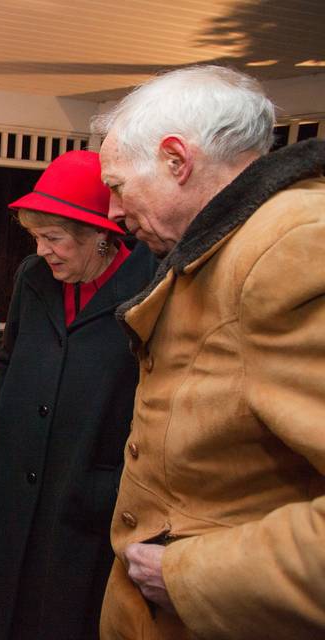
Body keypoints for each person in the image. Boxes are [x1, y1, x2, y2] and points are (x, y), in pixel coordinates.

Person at [93, 65, 325, 639]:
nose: (113, 214)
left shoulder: (290, 247)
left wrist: (195, 577)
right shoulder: (225, 242)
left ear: (177, 160)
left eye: (119, 186)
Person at [0, 151, 157, 639]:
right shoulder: (32, 278)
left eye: (54, 238)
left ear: (100, 235)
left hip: (83, 481)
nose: (42, 250)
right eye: (36, 237)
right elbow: (7, 357)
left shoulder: (148, 287)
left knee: (57, 612)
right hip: (11, 473)